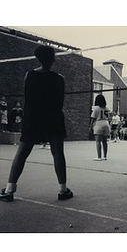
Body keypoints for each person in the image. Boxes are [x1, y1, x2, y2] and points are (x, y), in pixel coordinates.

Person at [0, 45, 73, 202]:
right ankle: (63, 190)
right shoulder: (59, 78)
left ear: (37, 58)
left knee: (22, 153)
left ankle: (9, 189)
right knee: (58, 153)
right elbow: (59, 102)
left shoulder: (30, 76)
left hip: (34, 118)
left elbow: (29, 99)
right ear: (52, 59)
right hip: (53, 118)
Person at [89, 94, 111, 161]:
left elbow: (93, 118)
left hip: (98, 123)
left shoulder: (96, 109)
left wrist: (90, 127)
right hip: (106, 123)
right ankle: (105, 156)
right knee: (105, 141)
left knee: (98, 141)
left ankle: (99, 157)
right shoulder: (107, 109)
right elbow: (109, 118)